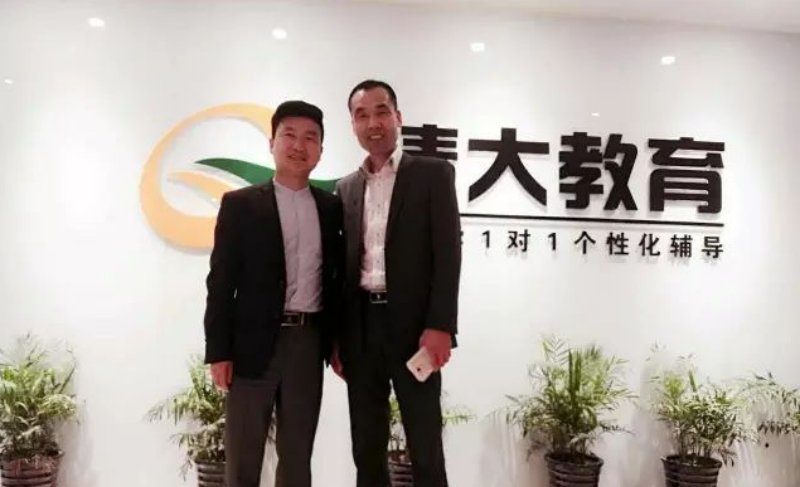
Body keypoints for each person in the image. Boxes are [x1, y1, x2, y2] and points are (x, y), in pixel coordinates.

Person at [202, 100, 343, 487]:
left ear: (320, 150)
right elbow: (220, 282)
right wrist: (219, 351)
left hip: (308, 342)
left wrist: (336, 341)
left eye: (310, 138)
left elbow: (336, 281)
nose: (299, 145)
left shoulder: (331, 208)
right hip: (251, 346)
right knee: (243, 457)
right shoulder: (240, 205)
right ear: (272, 143)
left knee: (297, 458)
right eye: (289, 135)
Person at [333, 80, 461, 487]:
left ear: (398, 117)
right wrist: (338, 339)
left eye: (381, 111)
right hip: (361, 331)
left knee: (425, 445)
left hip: (415, 330)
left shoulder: (432, 175)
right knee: (366, 447)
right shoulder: (346, 188)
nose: (373, 123)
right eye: (362, 115)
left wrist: (441, 325)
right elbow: (341, 269)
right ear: (353, 125)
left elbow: (448, 255)